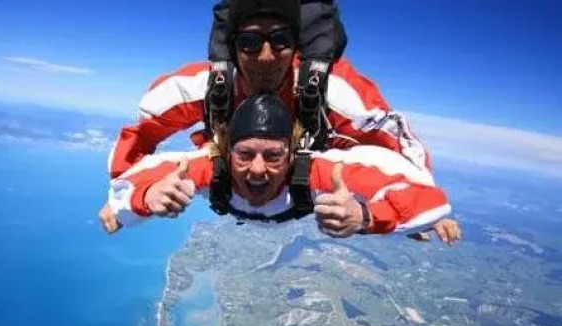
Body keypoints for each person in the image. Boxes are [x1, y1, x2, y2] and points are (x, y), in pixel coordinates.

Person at [99, 0, 460, 243]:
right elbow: (141, 135)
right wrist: (126, 199)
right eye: (250, 42)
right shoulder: (197, 87)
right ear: (233, 47)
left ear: (297, 44)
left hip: (312, 158)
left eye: (281, 40)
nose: (266, 56)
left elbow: (392, 143)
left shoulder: (335, 89)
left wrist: (396, 210)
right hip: (228, 158)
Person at [100, 94, 453, 241]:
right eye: (244, 154)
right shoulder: (204, 167)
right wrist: (144, 199)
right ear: (226, 151)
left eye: (273, 156)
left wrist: (368, 215)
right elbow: (127, 184)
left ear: (294, 154)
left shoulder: (322, 171)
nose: (257, 169)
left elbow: (426, 195)